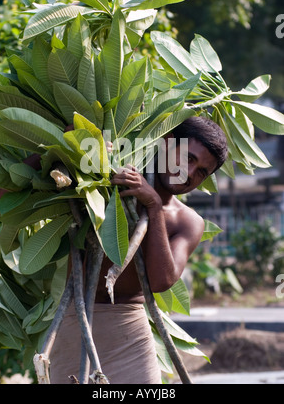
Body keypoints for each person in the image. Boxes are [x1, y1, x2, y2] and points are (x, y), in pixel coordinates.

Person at [49, 116, 228, 384]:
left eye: (202, 171)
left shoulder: (187, 222)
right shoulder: (103, 179)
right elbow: (2, 196)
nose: (191, 173)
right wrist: (64, 146)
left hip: (130, 337)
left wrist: (154, 205)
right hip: (75, 327)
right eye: (188, 158)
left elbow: (161, 280)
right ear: (166, 144)